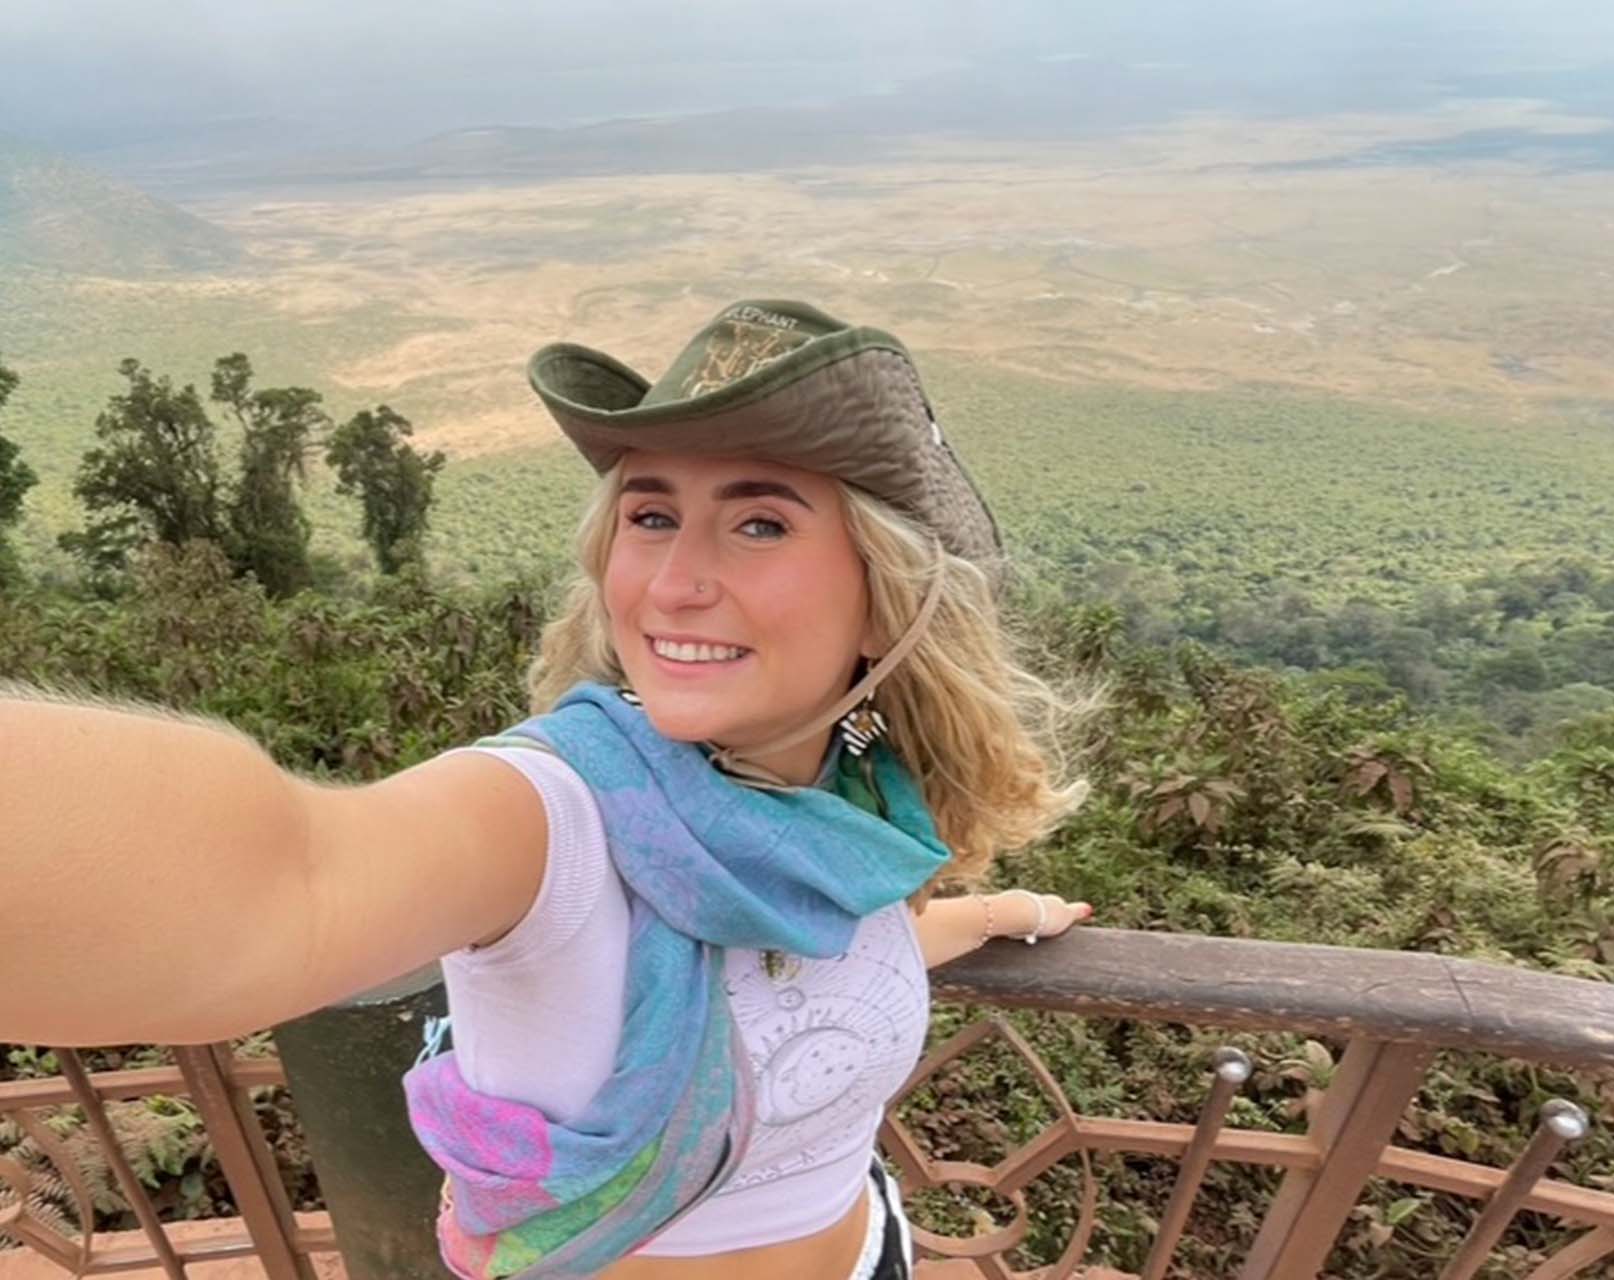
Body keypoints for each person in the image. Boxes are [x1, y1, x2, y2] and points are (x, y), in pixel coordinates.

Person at [0, 299, 1093, 1280]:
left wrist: (1005, 913)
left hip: (872, 1248)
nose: (672, 582)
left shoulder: (852, 813)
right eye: (651, 515)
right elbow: (289, 877)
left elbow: (848, 949)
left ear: (883, 598)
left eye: (759, 522)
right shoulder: (555, 813)